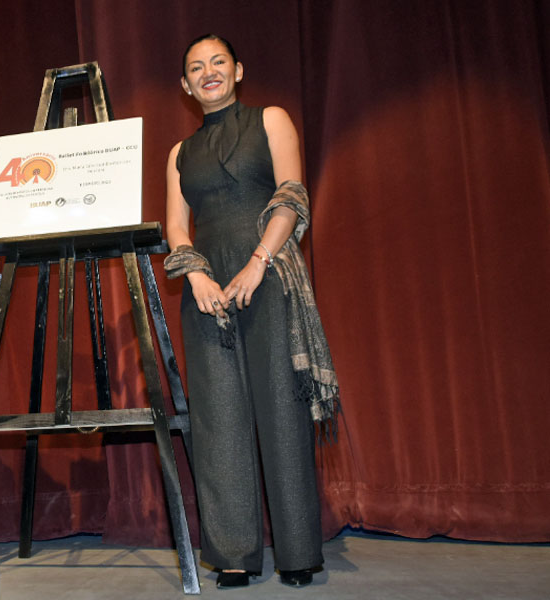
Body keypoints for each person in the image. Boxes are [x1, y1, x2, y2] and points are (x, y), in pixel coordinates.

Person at [164, 34, 340, 588]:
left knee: (282, 413)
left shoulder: (271, 120)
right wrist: (194, 275)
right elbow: (174, 226)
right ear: (186, 85)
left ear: (238, 70)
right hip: (206, 292)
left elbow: (292, 196)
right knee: (217, 420)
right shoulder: (178, 153)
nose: (208, 72)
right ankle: (235, 553)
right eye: (197, 67)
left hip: (268, 278)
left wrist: (259, 261)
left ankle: (297, 553)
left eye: (218, 62)